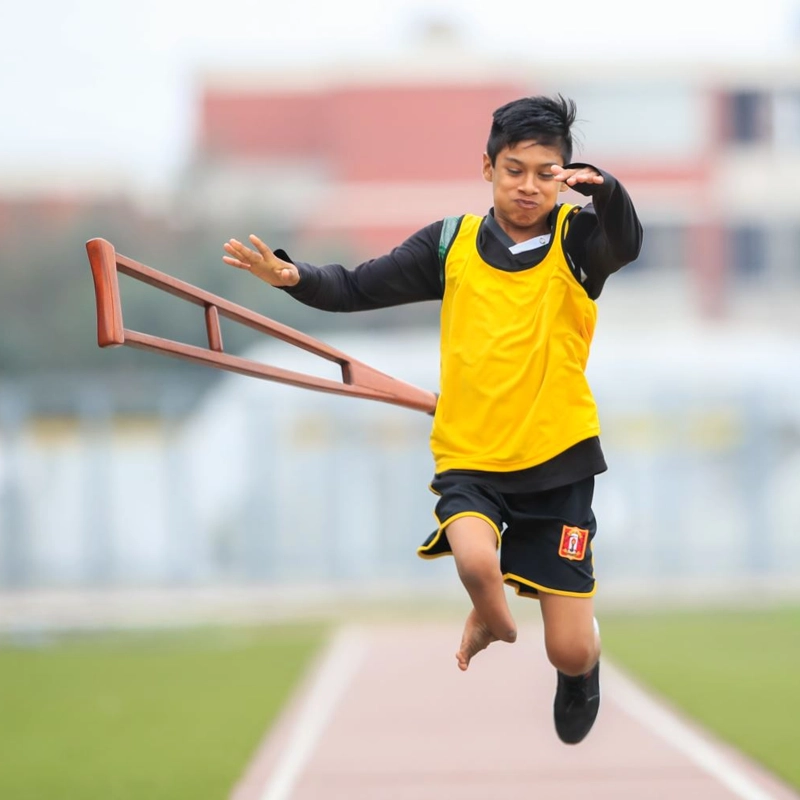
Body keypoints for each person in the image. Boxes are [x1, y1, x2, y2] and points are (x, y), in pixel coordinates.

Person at [222, 94, 643, 745]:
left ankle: (579, 670)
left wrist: (608, 190)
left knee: (568, 649)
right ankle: (488, 612)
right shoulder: (451, 243)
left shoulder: (579, 242)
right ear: (488, 167)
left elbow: (629, 241)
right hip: (470, 456)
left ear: (564, 175)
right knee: (476, 561)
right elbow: (356, 286)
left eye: (544, 172)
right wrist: (290, 275)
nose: (528, 185)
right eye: (513, 169)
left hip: (558, 462)